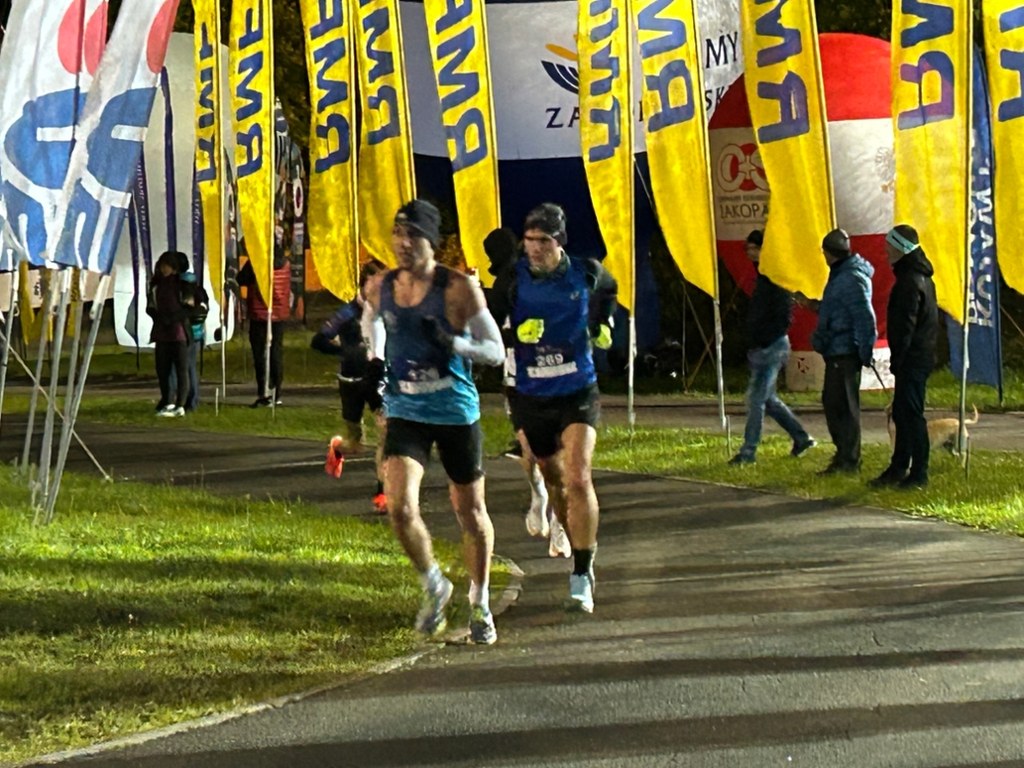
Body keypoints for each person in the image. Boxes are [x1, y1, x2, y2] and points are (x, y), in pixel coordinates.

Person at [361, 199, 505, 644]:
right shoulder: (380, 285)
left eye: (413, 236)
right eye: (397, 234)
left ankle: (480, 600)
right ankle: (434, 584)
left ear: (431, 241)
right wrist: (374, 356)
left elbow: (496, 351)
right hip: (407, 410)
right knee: (400, 507)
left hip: (455, 410)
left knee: (471, 512)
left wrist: (456, 345)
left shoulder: (458, 289)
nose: (402, 243)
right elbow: (372, 324)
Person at [490, 202, 617, 613]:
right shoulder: (512, 279)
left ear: (559, 241)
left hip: (577, 389)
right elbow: (489, 330)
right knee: (556, 482)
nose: (535, 248)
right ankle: (571, 535)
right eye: (529, 240)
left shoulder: (586, 271)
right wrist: (516, 337)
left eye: (543, 240)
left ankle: (581, 572)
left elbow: (609, 290)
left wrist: (603, 323)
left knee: (579, 477)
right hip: (532, 394)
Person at [483, 227, 571, 559]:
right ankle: (539, 495)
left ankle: (559, 523)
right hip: (518, 377)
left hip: (557, 375)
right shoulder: (502, 287)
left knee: (557, 453)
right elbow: (495, 331)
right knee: (530, 448)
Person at [729, 230, 816, 465]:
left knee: (755, 400)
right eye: (748, 248)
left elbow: (783, 315)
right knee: (769, 400)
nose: (750, 253)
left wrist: (764, 338)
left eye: (754, 248)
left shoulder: (774, 279)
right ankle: (801, 437)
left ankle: (748, 451)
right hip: (763, 345)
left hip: (771, 346)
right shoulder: (763, 277)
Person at [312, 261, 388, 513]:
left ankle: (382, 492)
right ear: (364, 285)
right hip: (352, 382)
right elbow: (318, 340)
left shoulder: (387, 312)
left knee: (387, 433)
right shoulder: (347, 313)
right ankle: (338, 447)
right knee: (356, 445)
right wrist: (346, 351)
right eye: (375, 286)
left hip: (377, 381)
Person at [869, 224, 938, 489]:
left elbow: (904, 326)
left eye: (889, 248)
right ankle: (899, 466)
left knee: (912, 415)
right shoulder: (921, 278)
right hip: (918, 356)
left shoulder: (909, 282)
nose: (886, 253)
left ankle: (919, 472)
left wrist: (898, 359)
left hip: (913, 358)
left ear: (900, 248)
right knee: (901, 413)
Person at [810, 227, 877, 474]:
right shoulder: (842, 275)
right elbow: (838, 309)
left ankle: (849, 460)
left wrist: (865, 350)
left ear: (829, 253)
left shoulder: (850, 278)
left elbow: (864, 317)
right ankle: (844, 455)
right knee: (833, 403)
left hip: (845, 350)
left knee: (844, 407)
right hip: (836, 348)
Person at [237, 240, 290, 407]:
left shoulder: (257, 263)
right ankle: (277, 392)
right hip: (279, 313)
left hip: (260, 313)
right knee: (276, 353)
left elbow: (241, 279)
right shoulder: (285, 263)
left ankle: (264, 392)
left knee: (260, 354)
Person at [147, 251, 190, 418]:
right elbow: (151, 306)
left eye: (167, 266)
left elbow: (189, 306)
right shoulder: (156, 285)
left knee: (181, 370)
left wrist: (173, 318)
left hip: (178, 332)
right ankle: (168, 401)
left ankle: (181, 404)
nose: (164, 269)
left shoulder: (181, 284)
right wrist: (158, 317)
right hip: (161, 332)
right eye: (162, 266)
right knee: (163, 370)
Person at [177, 255, 209, 412]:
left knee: (181, 368)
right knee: (191, 367)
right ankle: (193, 400)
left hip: (184, 331)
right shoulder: (198, 288)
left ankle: (183, 400)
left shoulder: (179, 287)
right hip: (198, 332)